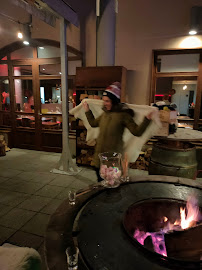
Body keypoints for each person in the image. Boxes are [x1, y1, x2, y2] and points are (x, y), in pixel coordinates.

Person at [82, 82, 154, 182]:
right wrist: (87, 111)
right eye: (104, 101)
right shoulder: (104, 114)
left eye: (107, 101)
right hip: (99, 158)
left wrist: (146, 119)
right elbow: (93, 123)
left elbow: (137, 132)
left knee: (113, 184)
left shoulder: (123, 115)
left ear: (114, 101)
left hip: (113, 160)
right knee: (101, 183)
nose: (105, 103)